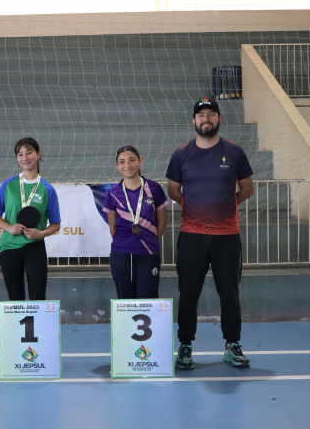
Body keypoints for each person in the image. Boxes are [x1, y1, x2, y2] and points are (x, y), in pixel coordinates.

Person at [166, 97, 254, 369]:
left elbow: (247, 189)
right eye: (201, 115)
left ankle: (232, 345)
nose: (206, 119)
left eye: (211, 114)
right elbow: (173, 190)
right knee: (188, 295)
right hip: (192, 236)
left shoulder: (235, 151)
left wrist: (226, 204)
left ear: (219, 119)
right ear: (194, 121)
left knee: (230, 295)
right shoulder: (181, 154)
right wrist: (195, 206)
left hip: (227, 237)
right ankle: (185, 345)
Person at [0, 137, 61, 301]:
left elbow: (56, 224)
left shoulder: (48, 189)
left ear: (38, 154)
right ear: (17, 158)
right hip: (9, 247)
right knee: (15, 299)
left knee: (38, 297)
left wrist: (39, 234)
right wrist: (9, 227)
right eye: (20, 154)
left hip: (34, 248)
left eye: (29, 152)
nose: (25, 157)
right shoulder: (8, 185)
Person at [103, 145, 168, 299]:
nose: (127, 165)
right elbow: (112, 228)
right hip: (121, 253)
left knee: (148, 298)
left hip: (148, 253)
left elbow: (162, 222)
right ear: (117, 166)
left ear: (140, 161)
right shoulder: (113, 193)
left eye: (131, 160)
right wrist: (126, 242)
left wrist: (150, 240)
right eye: (122, 162)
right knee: (125, 300)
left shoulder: (154, 188)